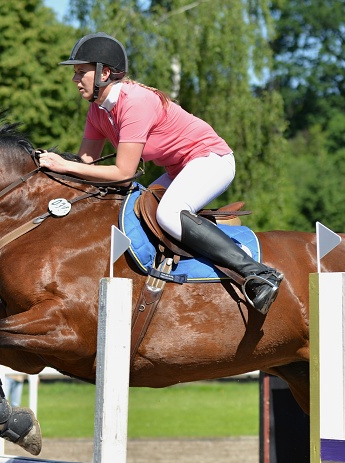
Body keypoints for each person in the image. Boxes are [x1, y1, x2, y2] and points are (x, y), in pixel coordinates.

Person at [37, 32, 283, 314]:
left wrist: (63, 164)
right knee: (135, 212)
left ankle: (258, 274)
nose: (74, 79)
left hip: (211, 160)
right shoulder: (98, 110)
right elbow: (86, 164)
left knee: (168, 213)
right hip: (180, 168)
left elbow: (123, 173)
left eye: (81, 72)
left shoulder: (135, 102)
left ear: (104, 72)